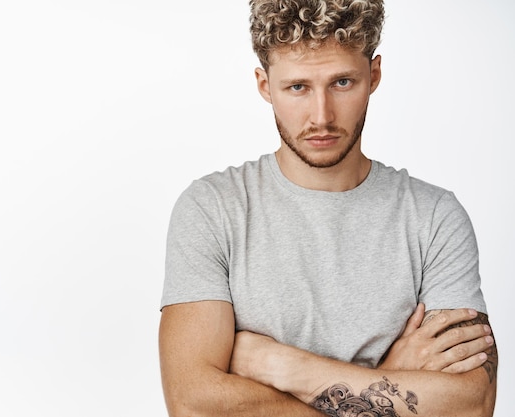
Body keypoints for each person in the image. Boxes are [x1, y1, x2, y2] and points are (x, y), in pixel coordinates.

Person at [158, 1, 498, 416]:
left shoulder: (434, 217)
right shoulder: (212, 209)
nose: (322, 116)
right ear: (265, 86)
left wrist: (279, 365)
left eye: (341, 82)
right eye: (297, 87)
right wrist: (391, 379)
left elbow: (470, 406)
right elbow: (193, 405)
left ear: (373, 75)